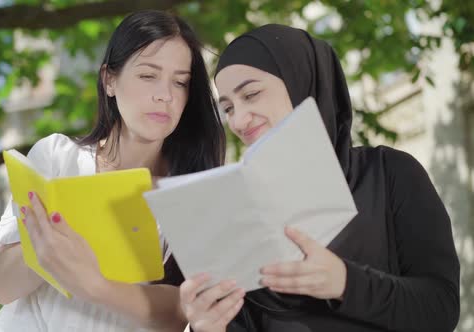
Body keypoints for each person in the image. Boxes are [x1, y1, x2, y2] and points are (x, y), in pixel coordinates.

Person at [179, 24, 460, 332]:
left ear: (303, 82)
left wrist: (344, 283)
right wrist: (207, 326)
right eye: (228, 108)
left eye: (251, 94)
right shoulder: (237, 215)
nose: (239, 120)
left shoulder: (389, 173)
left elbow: (440, 309)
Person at [0, 10, 225, 332]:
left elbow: (181, 313)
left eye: (179, 82)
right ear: (109, 80)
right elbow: (2, 288)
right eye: (148, 75)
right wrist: (45, 246)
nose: (164, 95)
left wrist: (93, 284)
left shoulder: (190, 192)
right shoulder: (58, 157)